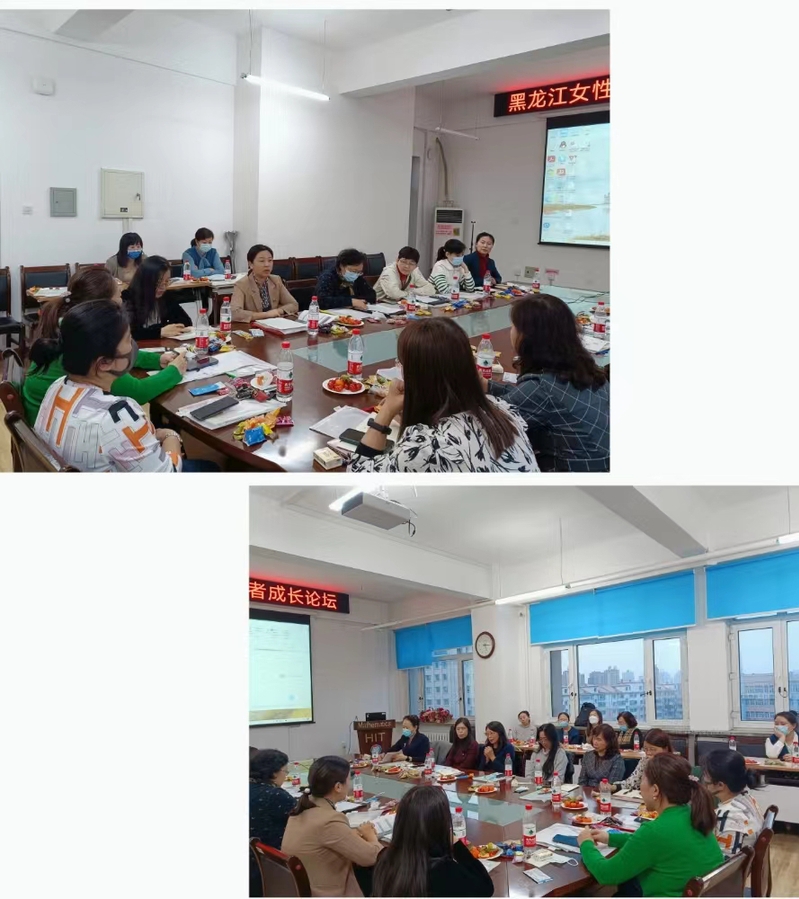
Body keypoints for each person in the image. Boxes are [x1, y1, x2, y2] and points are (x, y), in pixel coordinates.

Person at [34, 300, 215, 472]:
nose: (133, 347)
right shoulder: (118, 415)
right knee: (210, 467)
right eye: (129, 340)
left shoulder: (57, 386)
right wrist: (171, 436)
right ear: (104, 363)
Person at [349, 318, 538, 473]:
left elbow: (358, 474)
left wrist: (387, 411)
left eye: (402, 364)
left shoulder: (429, 449)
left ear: (417, 375)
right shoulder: (503, 410)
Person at [23, 267, 185, 423]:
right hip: (56, 426)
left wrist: (156, 360)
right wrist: (174, 371)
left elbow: (120, 352)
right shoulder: (88, 339)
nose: (122, 302)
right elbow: (138, 392)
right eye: (119, 297)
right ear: (104, 305)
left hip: (50, 418)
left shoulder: (73, 324)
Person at [486, 294, 609, 472]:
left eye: (513, 326)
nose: (510, 332)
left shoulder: (540, 387)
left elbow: (490, 425)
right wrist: (487, 385)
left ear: (528, 337)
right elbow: (525, 398)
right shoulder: (585, 369)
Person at [577, 754, 723, 898]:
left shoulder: (655, 831)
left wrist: (586, 843)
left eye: (642, 780)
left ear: (655, 790)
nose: (640, 787)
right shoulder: (692, 813)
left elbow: (606, 874)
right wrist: (610, 838)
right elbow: (650, 844)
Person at [281, 755, 383, 897]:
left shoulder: (302, 809)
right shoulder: (329, 821)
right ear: (338, 787)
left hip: (300, 888)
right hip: (326, 892)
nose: (350, 784)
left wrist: (350, 835)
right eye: (348, 780)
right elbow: (371, 857)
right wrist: (371, 837)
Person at [372, 785, 494, 897]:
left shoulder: (385, 860)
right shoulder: (443, 871)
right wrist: (456, 844)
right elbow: (486, 889)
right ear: (441, 824)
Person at [250, 749, 296, 896]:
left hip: (254, 857)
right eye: (285, 771)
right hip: (274, 861)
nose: (285, 775)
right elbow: (303, 819)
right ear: (275, 773)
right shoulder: (276, 795)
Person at [702, 749, 764, 859]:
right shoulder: (748, 798)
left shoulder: (726, 817)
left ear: (720, 785)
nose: (703, 779)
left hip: (726, 867)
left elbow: (724, 863)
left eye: (706, 775)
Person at [123, 255, 192, 340]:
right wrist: (159, 332)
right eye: (158, 282)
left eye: (167, 281)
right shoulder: (128, 298)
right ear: (146, 280)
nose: (163, 287)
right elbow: (129, 333)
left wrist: (164, 329)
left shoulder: (165, 296)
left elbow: (186, 321)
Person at [230, 244, 299, 322]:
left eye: (270, 260)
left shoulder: (276, 280)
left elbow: (293, 305)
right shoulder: (242, 284)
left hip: (275, 324)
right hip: (252, 326)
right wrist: (266, 315)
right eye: (262, 261)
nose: (267, 265)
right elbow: (234, 313)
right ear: (251, 264)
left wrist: (278, 311)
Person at [602, 729, 674, 794]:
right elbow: (632, 782)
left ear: (665, 749)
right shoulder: (645, 760)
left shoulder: (673, 765)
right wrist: (613, 787)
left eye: (653, 749)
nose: (648, 753)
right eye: (645, 749)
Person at [578, 723, 625, 788]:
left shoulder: (617, 759)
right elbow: (582, 781)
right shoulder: (588, 755)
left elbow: (612, 785)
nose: (595, 742)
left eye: (599, 739)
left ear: (609, 742)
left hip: (605, 792)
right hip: (587, 792)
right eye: (594, 738)